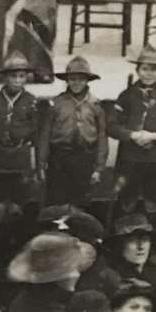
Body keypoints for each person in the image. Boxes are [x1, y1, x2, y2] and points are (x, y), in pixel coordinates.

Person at [110, 46, 156, 219]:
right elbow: (111, 126)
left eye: (154, 70)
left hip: (154, 159)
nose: (149, 74)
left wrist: (154, 136)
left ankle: (152, 238)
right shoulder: (126, 96)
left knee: (153, 200)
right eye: (145, 69)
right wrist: (132, 135)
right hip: (129, 157)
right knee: (127, 199)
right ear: (137, 70)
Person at [40, 56, 110, 210]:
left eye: (81, 79)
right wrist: (41, 163)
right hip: (60, 158)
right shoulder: (56, 104)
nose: (76, 83)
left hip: (84, 157)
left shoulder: (95, 105)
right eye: (72, 79)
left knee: (80, 201)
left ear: (87, 81)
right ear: (67, 80)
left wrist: (99, 167)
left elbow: (102, 137)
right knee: (57, 200)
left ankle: (77, 231)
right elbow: (45, 135)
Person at [0, 53, 43, 207]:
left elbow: (36, 133)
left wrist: (38, 163)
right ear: (5, 77)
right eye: (13, 76)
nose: (17, 81)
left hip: (20, 156)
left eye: (22, 76)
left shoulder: (31, 101)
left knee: (19, 203)